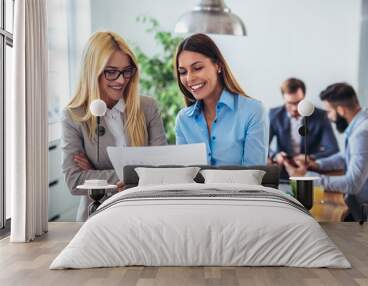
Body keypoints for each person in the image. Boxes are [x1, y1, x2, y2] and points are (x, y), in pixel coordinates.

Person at [62, 31, 167, 221]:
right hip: (97, 217)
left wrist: (94, 173)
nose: (121, 80)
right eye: (111, 72)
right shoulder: (73, 116)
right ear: (92, 72)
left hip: (145, 215)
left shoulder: (148, 107)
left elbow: (162, 170)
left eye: (126, 71)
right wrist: (136, 176)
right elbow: (74, 180)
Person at [284, 83, 368, 220]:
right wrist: (317, 164)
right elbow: (347, 155)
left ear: (340, 110)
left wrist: (308, 178)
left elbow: (352, 184)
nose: (328, 117)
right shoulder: (361, 121)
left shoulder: (363, 133)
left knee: (323, 218)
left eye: (329, 112)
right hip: (366, 206)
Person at [174, 33, 267, 166]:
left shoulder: (252, 111)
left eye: (197, 68)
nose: (189, 78)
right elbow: (183, 176)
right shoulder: (183, 119)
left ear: (218, 65)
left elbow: (255, 175)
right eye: (183, 72)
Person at [269, 78, 339, 172]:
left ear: (304, 97)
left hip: (311, 173)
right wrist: (275, 155)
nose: (294, 108)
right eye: (290, 103)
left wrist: (310, 157)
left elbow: (333, 150)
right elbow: (262, 145)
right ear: (284, 99)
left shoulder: (321, 116)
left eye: (298, 102)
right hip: (283, 172)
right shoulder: (274, 115)